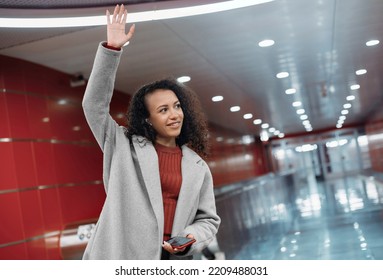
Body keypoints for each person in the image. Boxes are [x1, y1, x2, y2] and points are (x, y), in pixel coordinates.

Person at [82, 4, 221, 260]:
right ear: (148, 118)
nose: (174, 114)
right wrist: (112, 50)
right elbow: (93, 106)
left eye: (177, 107)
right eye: (164, 110)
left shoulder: (197, 166)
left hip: (170, 261)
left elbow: (208, 220)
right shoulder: (123, 146)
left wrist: (189, 238)